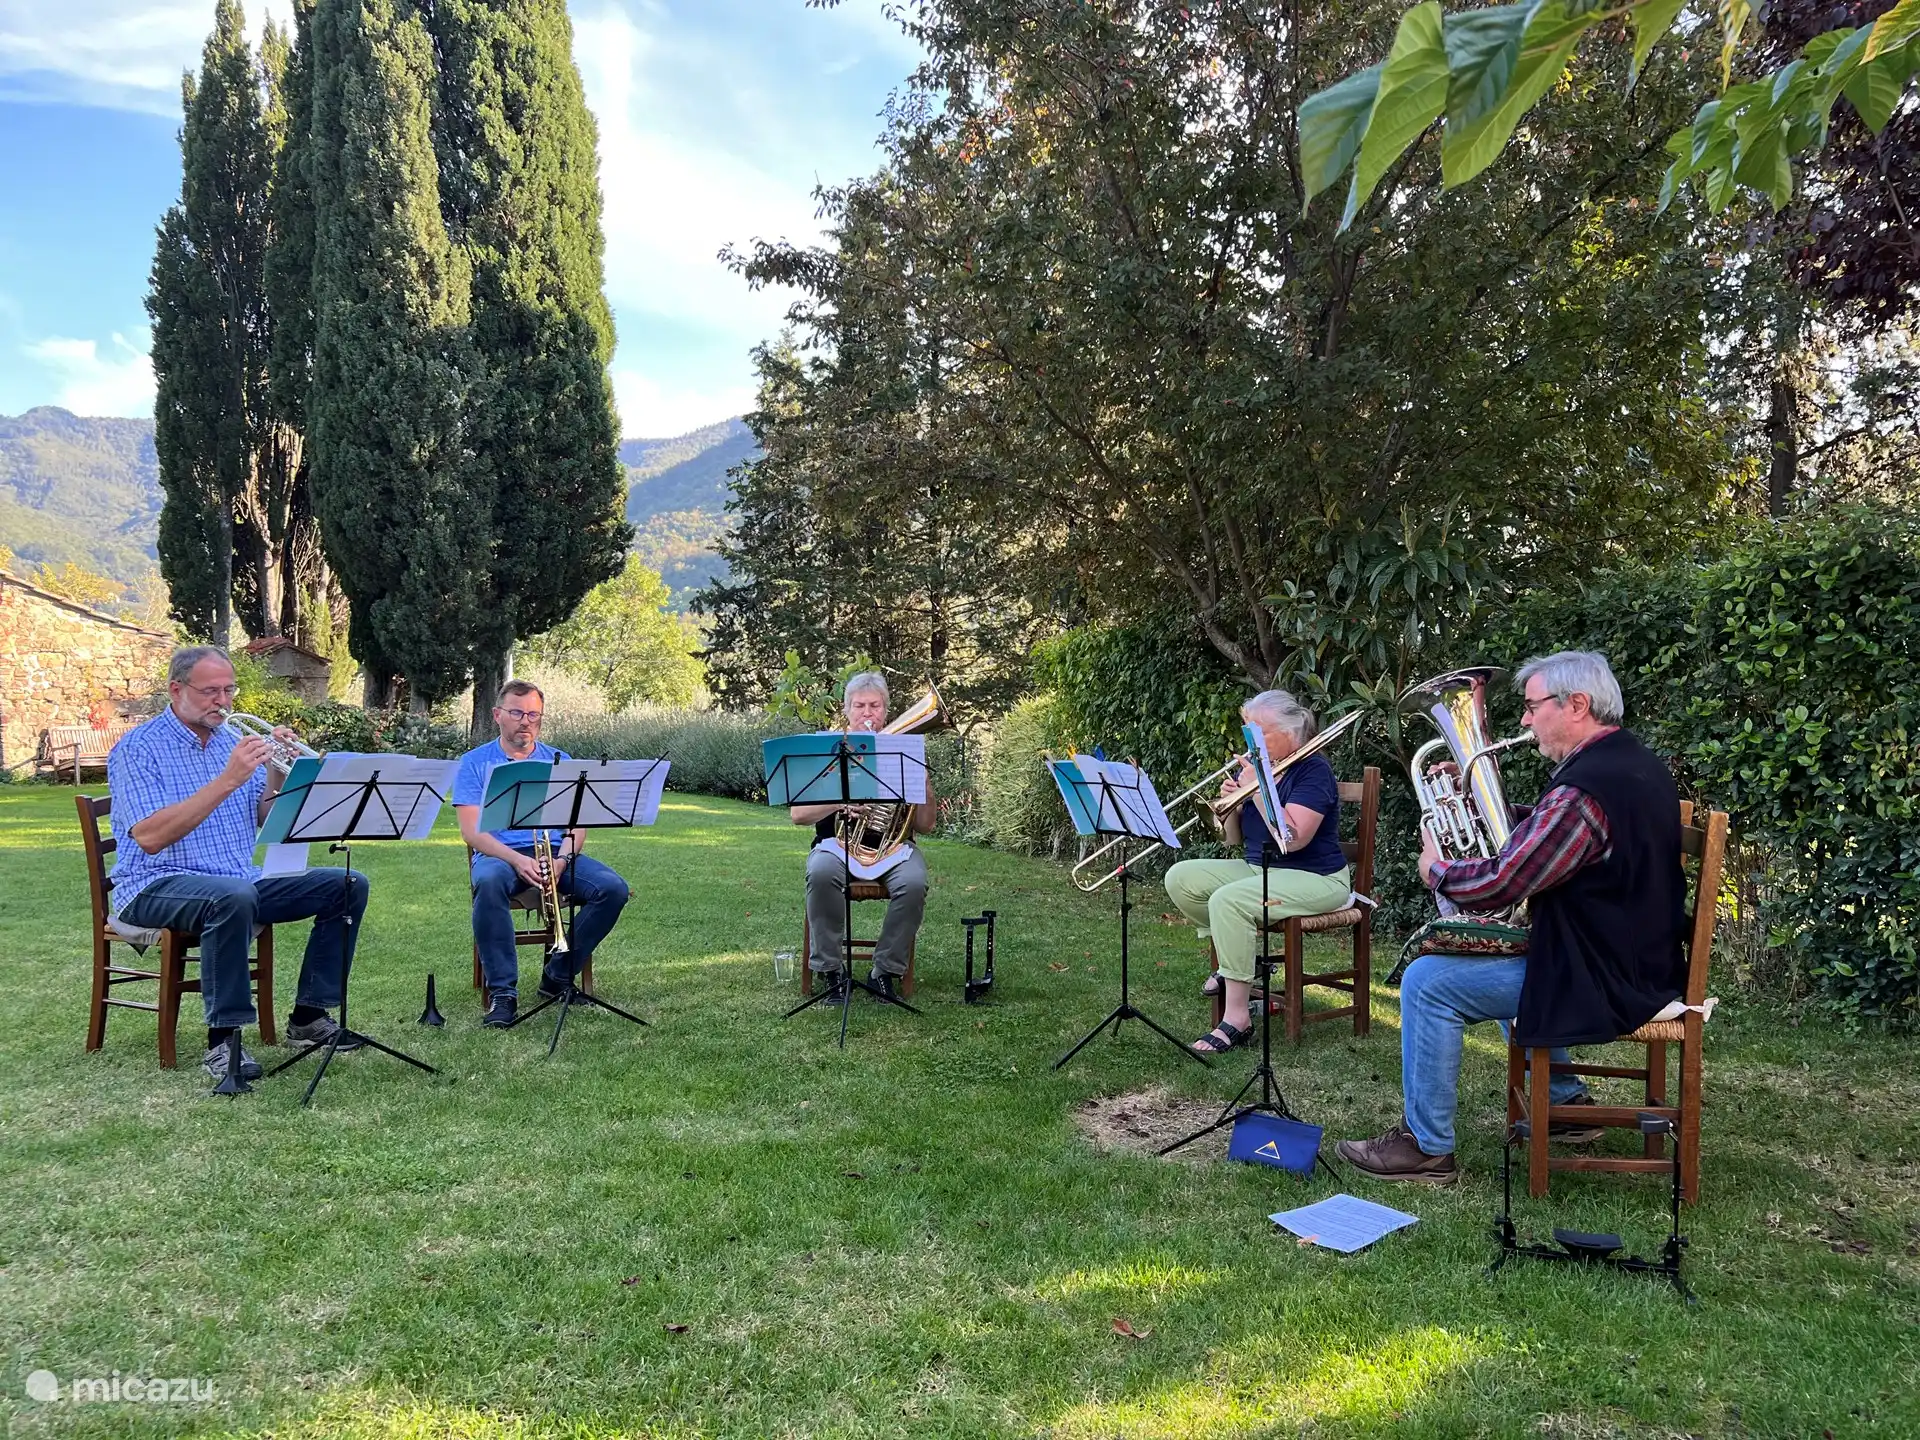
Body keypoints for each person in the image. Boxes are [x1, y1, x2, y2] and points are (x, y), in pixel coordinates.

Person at [1337, 650, 1688, 1184]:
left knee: (1427, 982)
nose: (1524, 719)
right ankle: (1563, 1103)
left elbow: (1506, 881)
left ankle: (1425, 1147)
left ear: (1576, 705)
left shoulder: (1584, 790)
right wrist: (1476, 800)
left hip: (1604, 977)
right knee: (1507, 949)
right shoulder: (1626, 763)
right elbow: (1554, 836)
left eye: (1531, 706)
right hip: (1628, 958)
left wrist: (1437, 871)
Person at [107, 645, 369, 1085]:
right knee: (233, 896)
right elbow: (150, 837)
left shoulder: (232, 741)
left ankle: (308, 1016)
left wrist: (280, 772)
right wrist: (229, 779)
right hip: (153, 884)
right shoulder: (138, 748)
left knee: (347, 883)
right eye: (211, 691)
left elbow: (267, 820)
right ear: (176, 689)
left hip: (238, 880)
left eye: (229, 690)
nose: (223, 701)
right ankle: (223, 1040)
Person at [1163, 690, 1353, 1053]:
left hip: (1317, 877)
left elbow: (1293, 839)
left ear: (1290, 731)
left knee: (1228, 900)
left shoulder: (1314, 770)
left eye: (1259, 732)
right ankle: (1244, 961)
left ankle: (1237, 1019)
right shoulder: (1257, 768)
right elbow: (1234, 840)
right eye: (1248, 731)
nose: (1252, 742)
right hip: (1258, 868)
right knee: (1181, 878)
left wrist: (1256, 791)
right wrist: (1230, 809)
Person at [453, 679, 631, 1028]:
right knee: (488, 882)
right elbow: (471, 831)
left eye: (534, 714)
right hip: (499, 854)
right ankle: (503, 993)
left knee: (613, 889)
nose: (526, 721)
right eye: (517, 713)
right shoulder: (474, 762)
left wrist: (563, 860)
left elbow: (577, 825)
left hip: (554, 852)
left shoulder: (560, 761)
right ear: (497, 715)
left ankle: (557, 976)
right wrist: (518, 860)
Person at [790, 671, 935, 1000]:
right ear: (847, 710)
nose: (867, 713)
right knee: (821, 872)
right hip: (836, 845)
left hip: (892, 848)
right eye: (859, 706)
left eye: (875, 706)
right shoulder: (828, 752)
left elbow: (926, 825)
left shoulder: (903, 752)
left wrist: (925, 787)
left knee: (914, 882)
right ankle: (830, 969)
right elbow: (798, 815)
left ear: (886, 710)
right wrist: (840, 802)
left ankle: (884, 971)